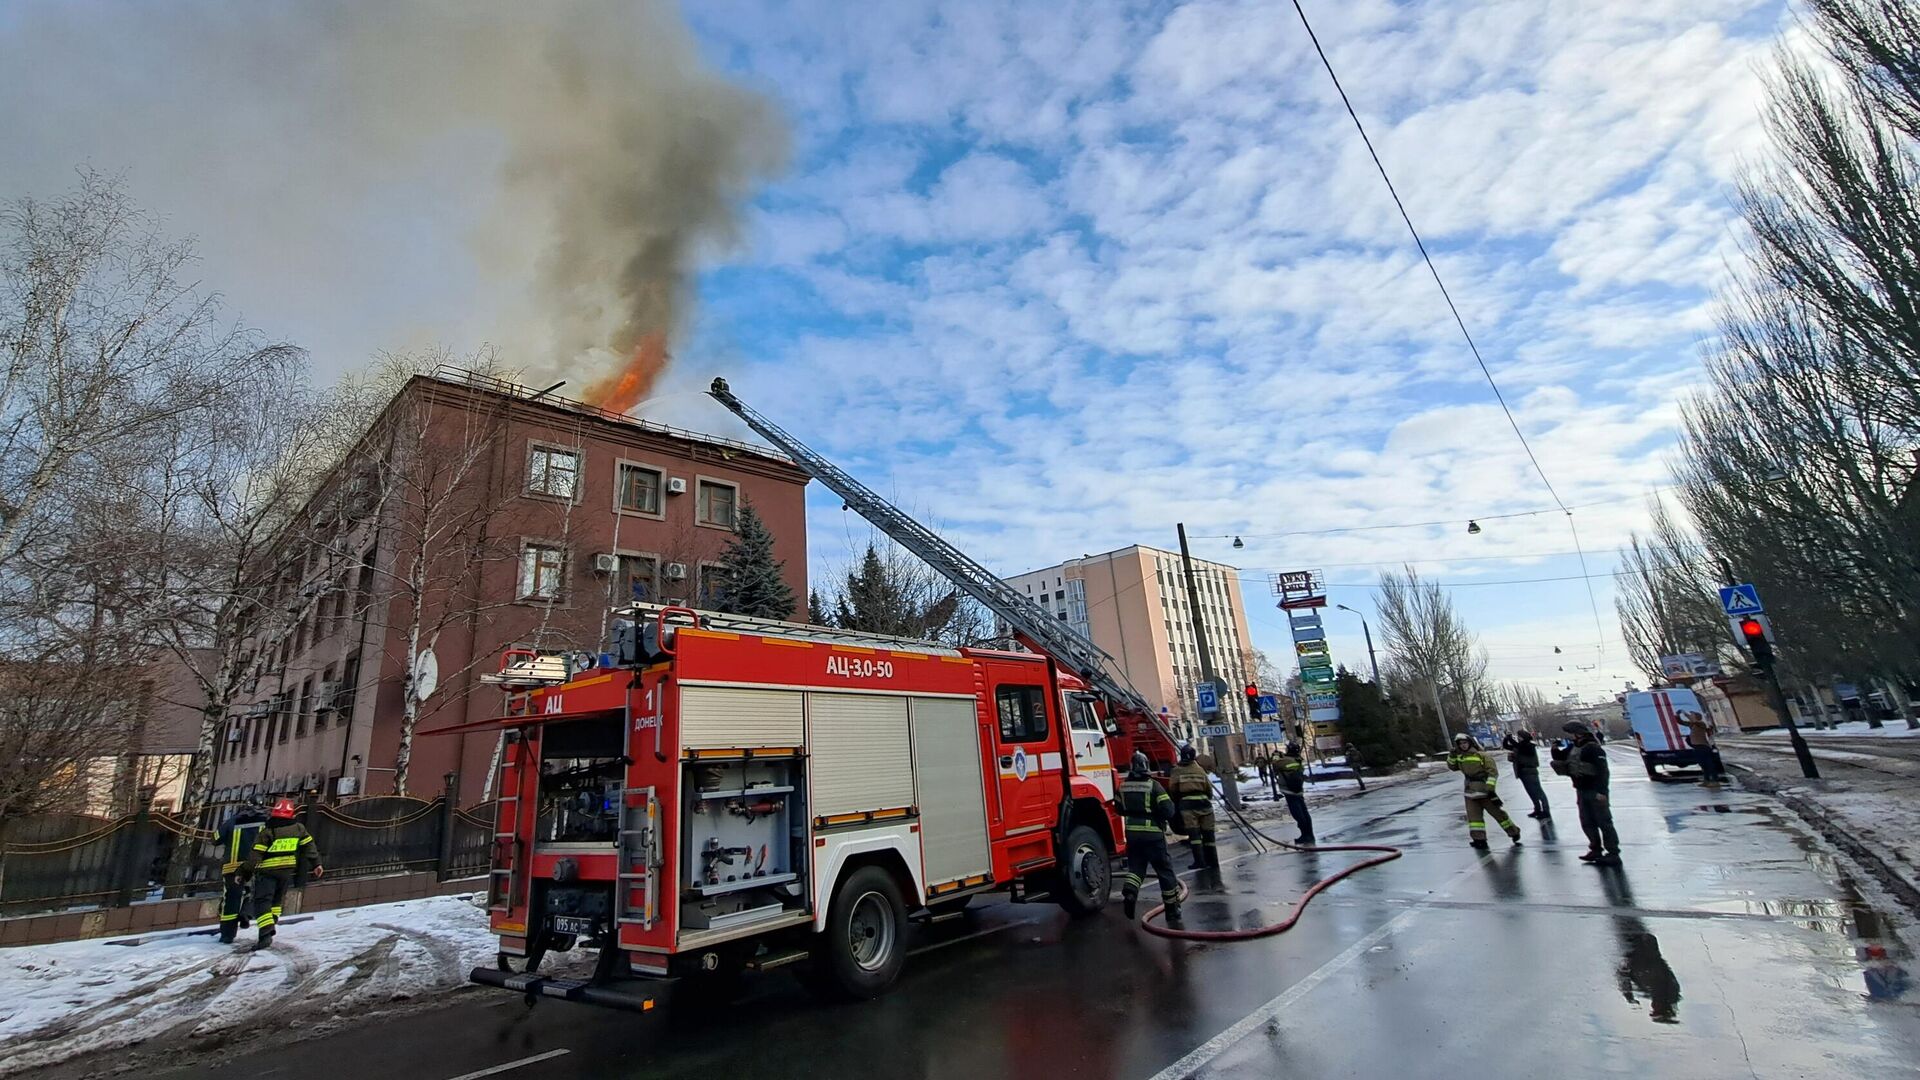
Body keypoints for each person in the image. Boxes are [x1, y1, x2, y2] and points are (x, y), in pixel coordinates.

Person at [242, 797, 324, 950]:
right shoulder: (298, 828)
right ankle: (271, 922)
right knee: (276, 902)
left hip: (267, 872)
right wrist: (317, 864)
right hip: (286, 872)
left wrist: (245, 873)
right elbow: (309, 846)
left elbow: (255, 855)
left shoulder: (268, 831)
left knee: (262, 902)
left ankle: (266, 933)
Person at [1117, 752, 1184, 929]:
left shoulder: (1123, 787)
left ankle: (1130, 892)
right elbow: (1169, 810)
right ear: (1146, 766)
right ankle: (1172, 910)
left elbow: (1119, 809)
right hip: (1153, 835)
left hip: (1132, 835)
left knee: (1136, 868)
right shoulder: (1153, 786)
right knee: (1164, 871)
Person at [1446, 733, 1522, 850]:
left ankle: (1514, 832)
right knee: (1474, 818)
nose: (1463, 746)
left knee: (1498, 814)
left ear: (1470, 743)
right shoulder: (1460, 757)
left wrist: (1490, 789)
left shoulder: (1482, 755)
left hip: (1485, 791)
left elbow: (1493, 772)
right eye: (1460, 744)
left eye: (1465, 743)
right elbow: (1452, 767)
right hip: (1470, 792)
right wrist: (1451, 755)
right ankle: (1479, 840)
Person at [1562, 720, 1620, 866]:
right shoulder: (1575, 747)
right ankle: (1595, 849)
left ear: (1578, 733)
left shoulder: (1593, 748)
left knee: (1604, 822)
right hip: (1581, 789)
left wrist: (1602, 791)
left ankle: (1613, 853)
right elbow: (1562, 758)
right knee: (1587, 822)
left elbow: (1603, 771)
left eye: (1572, 734)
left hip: (1595, 790)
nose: (1571, 737)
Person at [214, 800, 270, 944]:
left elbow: (215, 839)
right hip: (256, 866)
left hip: (231, 868)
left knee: (231, 900)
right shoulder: (266, 822)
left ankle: (227, 935)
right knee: (256, 893)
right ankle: (246, 913)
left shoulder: (233, 820)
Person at [1167, 743, 1218, 870]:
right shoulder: (1199, 769)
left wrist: (1177, 800)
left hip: (1188, 806)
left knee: (1194, 835)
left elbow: (1172, 788)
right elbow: (1208, 788)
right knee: (1208, 834)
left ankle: (1200, 862)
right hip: (1205, 805)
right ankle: (1213, 861)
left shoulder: (1177, 770)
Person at [1501, 730, 1552, 818]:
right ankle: (1537, 809)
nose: (1518, 738)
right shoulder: (1519, 745)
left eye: (1519, 736)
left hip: (1530, 772)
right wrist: (1506, 738)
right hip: (1522, 772)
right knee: (1531, 792)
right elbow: (1506, 746)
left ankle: (1546, 810)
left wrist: (1510, 738)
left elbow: (1520, 747)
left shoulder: (1529, 745)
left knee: (1538, 792)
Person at [1277, 742, 1315, 844]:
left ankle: (1305, 835)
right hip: (1298, 789)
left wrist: (1276, 757)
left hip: (1289, 790)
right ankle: (1309, 834)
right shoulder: (1298, 760)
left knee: (1298, 813)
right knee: (1304, 812)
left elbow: (1275, 766)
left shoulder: (1284, 760)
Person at [1675, 710, 1723, 783]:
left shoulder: (1701, 724)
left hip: (1703, 746)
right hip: (1697, 747)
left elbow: (1694, 721)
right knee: (1703, 764)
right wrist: (1677, 715)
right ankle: (1707, 780)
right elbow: (1681, 722)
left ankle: (1715, 780)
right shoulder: (1692, 724)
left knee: (1708, 764)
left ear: (1697, 717)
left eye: (1692, 715)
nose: (1690, 716)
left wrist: (1685, 714)